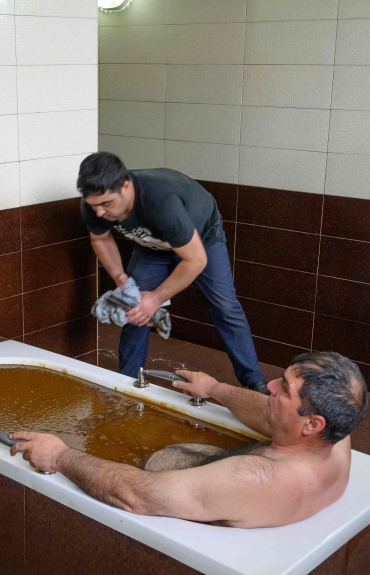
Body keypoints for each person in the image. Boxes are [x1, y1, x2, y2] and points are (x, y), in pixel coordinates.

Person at [9, 352, 368, 529]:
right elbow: (266, 412)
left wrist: (60, 456)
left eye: (284, 388)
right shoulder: (335, 438)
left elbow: (139, 497)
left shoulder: (256, 478)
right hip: (219, 488)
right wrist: (214, 389)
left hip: (170, 501)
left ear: (311, 423)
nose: (270, 386)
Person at [78, 152, 269, 394]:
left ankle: (255, 383)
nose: (99, 213)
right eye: (94, 205)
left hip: (201, 241)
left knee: (225, 306)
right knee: (135, 307)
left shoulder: (161, 200)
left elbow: (196, 260)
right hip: (153, 246)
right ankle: (126, 382)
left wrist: (155, 299)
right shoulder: (94, 205)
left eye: (106, 204)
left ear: (125, 186)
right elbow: (101, 239)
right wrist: (121, 278)